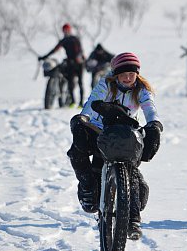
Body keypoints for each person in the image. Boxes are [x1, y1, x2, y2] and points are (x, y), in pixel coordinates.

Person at [66, 52, 163, 240]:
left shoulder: (142, 89)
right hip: (100, 132)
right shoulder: (106, 84)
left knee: (132, 174)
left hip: (125, 135)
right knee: (77, 150)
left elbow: (150, 109)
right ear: (116, 74)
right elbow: (92, 102)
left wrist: (154, 126)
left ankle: (133, 220)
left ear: (137, 73)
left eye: (131, 74)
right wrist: (83, 118)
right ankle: (87, 185)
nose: (127, 78)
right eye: (123, 74)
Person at [38, 23, 86, 107]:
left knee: (80, 83)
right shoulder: (64, 41)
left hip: (79, 64)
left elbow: (80, 50)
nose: (66, 32)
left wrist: (78, 57)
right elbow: (54, 50)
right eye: (64, 30)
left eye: (67, 30)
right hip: (70, 64)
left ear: (70, 30)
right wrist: (44, 57)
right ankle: (73, 101)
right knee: (70, 84)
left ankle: (81, 103)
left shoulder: (74, 39)